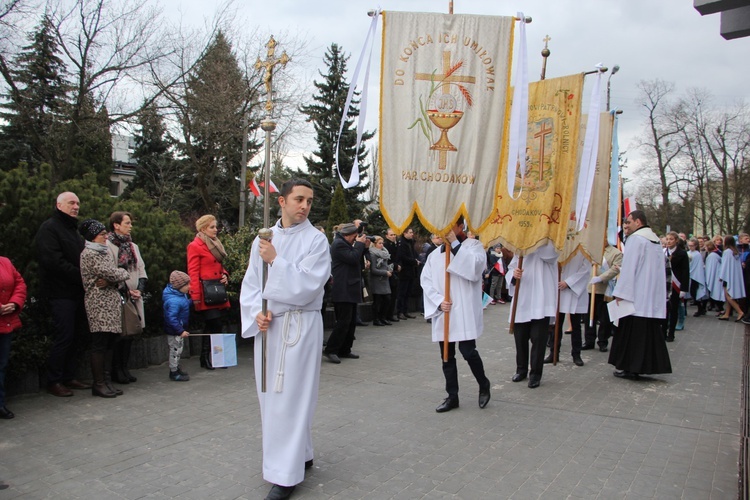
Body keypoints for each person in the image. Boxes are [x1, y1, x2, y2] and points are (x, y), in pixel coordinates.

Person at [240, 179, 331, 500]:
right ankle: (301, 454)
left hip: (300, 327)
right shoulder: (263, 240)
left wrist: (276, 262)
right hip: (270, 330)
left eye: (309, 201)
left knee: (292, 398)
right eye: (299, 199)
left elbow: (310, 285)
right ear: (282, 201)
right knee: (271, 398)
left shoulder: (316, 241)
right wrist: (256, 313)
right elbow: (251, 285)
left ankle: (285, 475)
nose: (305, 206)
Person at [421, 218, 490, 412]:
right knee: (446, 356)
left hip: (464, 310)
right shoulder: (435, 255)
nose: (445, 230)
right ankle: (452, 396)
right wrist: (438, 301)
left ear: (461, 226)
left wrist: (456, 244)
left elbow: (475, 269)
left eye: (451, 225)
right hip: (445, 310)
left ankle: (483, 384)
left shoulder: (474, 246)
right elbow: (425, 281)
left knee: (468, 352)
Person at [34, 191, 90, 397]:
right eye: (71, 203)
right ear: (59, 205)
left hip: (77, 292)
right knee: (64, 336)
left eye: (77, 203)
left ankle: (69, 376)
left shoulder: (73, 230)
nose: (76, 206)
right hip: (60, 293)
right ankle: (54, 380)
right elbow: (53, 262)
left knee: (77, 335)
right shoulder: (49, 229)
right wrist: (83, 276)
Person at [609, 210, 672, 379]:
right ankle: (642, 366)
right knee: (647, 333)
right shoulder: (655, 241)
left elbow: (630, 268)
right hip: (650, 296)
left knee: (631, 334)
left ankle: (628, 366)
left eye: (628, 222)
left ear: (638, 222)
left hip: (635, 295)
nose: (626, 225)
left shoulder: (636, 239)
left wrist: (621, 292)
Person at [79, 219, 131, 398]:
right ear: (93, 237)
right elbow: (115, 272)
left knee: (110, 343)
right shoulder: (90, 254)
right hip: (98, 304)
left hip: (111, 302)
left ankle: (107, 381)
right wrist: (118, 275)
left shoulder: (104, 252)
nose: (105, 237)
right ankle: (99, 383)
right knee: (100, 344)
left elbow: (116, 274)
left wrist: (115, 277)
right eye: (102, 234)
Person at [507, 242, 559, 388]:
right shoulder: (521, 246)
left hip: (541, 300)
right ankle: (521, 369)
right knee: (520, 337)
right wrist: (513, 274)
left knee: (538, 339)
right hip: (523, 298)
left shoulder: (550, 244)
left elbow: (550, 256)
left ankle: (535, 374)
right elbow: (511, 267)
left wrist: (535, 240)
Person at [106, 211, 147, 384]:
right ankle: (116, 370)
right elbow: (111, 271)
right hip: (120, 295)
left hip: (134, 296)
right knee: (120, 335)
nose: (130, 226)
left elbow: (141, 269)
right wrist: (126, 290)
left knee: (131, 333)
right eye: (127, 223)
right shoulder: (109, 246)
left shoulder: (133, 246)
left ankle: (124, 368)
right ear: (116, 225)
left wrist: (139, 288)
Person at [187, 215, 230, 370]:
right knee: (214, 324)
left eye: (215, 226)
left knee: (214, 326)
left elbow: (218, 265)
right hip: (206, 293)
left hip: (217, 290)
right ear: (203, 228)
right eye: (212, 227)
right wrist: (196, 297)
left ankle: (214, 358)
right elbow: (193, 272)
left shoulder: (214, 244)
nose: (215, 229)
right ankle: (206, 358)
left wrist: (225, 274)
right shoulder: (195, 245)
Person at [324, 222, 367, 363]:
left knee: (351, 321)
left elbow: (357, 259)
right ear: (347, 235)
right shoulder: (338, 244)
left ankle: (345, 349)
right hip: (343, 289)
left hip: (350, 287)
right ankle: (331, 349)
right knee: (343, 321)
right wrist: (360, 245)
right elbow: (352, 258)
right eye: (354, 237)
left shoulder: (347, 244)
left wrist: (363, 247)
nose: (356, 239)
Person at [548, 251, 591, 366]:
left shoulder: (583, 250)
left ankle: (576, 354)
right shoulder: (559, 248)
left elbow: (586, 270)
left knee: (576, 326)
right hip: (559, 291)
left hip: (574, 291)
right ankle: (554, 353)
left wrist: (568, 282)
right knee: (556, 325)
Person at [0, 255, 26, 419]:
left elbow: (20, 283)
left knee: (1, 365)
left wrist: (14, 302)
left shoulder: (5, 262)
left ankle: (0, 403)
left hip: (5, 322)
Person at [583, 243, 622, 352]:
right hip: (591, 287)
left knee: (605, 318)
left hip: (606, 290)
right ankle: (589, 340)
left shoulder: (616, 253)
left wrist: (601, 278)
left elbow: (615, 269)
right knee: (589, 317)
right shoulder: (591, 250)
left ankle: (602, 341)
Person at [163, 271, 191, 382]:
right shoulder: (173, 300)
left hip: (179, 330)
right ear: (179, 286)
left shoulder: (180, 295)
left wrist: (191, 302)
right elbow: (171, 318)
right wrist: (180, 331)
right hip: (175, 332)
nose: (189, 286)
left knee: (178, 350)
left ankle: (176, 368)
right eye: (187, 285)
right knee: (174, 351)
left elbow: (183, 304)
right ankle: (173, 372)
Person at [664, 231, 689, 341]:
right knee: (665, 309)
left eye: (671, 239)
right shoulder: (663, 252)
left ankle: (671, 333)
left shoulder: (682, 253)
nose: (669, 241)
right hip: (665, 284)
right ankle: (663, 331)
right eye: (667, 239)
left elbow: (685, 271)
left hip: (676, 285)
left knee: (673, 309)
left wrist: (684, 288)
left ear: (676, 241)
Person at [718, 235, 746, 321]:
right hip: (732, 276)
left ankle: (740, 312)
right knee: (729, 295)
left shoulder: (727, 252)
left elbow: (725, 265)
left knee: (728, 295)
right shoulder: (735, 252)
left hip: (727, 276)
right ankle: (727, 313)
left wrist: (721, 275)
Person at [368, 236, 393, 326]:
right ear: (374, 244)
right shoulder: (373, 254)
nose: (382, 245)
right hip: (377, 280)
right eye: (379, 243)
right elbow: (373, 269)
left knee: (387, 299)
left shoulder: (384, 253)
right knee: (377, 301)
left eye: (382, 243)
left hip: (385, 280)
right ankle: (376, 319)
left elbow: (385, 264)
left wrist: (389, 268)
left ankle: (383, 317)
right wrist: (385, 272)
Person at [396, 227, 419, 319]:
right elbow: (403, 256)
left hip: (411, 271)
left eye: (412, 232)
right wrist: (414, 261)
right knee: (402, 292)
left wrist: (416, 259)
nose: (412, 234)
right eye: (410, 232)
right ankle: (400, 311)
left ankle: (405, 311)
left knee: (408, 293)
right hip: (404, 271)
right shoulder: (402, 243)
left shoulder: (410, 242)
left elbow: (413, 254)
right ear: (404, 233)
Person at [687, 238, 708, 317]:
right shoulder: (688, 253)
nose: (690, 247)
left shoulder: (697, 254)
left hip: (695, 275)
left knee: (694, 292)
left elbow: (697, 265)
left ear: (695, 246)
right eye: (689, 245)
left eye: (692, 246)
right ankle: (701, 308)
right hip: (691, 274)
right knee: (692, 292)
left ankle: (700, 308)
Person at [383, 229, 401, 322]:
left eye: (394, 235)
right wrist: (395, 265)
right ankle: (386, 315)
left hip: (395, 272)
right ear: (387, 236)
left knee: (394, 295)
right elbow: (388, 259)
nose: (393, 236)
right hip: (390, 272)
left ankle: (391, 314)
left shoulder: (397, 244)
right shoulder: (386, 245)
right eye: (391, 235)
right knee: (389, 295)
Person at [704, 241, 725, 315]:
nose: (705, 248)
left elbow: (711, 268)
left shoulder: (712, 256)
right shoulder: (715, 254)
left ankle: (721, 309)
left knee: (716, 294)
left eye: (706, 246)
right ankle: (721, 309)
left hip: (715, 277)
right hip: (717, 277)